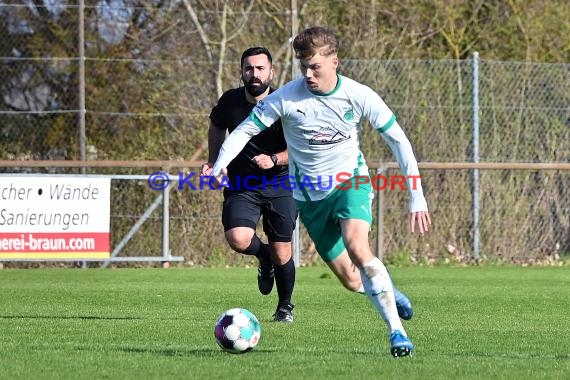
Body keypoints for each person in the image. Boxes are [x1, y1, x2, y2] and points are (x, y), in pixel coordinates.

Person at [210, 28, 431, 357]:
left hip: (350, 183)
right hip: (309, 199)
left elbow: (399, 141)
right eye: (303, 67)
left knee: (358, 247)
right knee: (353, 281)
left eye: (315, 66)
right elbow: (243, 131)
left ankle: (396, 332)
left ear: (335, 62)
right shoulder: (286, 97)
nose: (308, 74)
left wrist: (417, 196)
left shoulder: (359, 95)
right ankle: (389, 290)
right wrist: (219, 165)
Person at [201, 47, 297, 322]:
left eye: (260, 68)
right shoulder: (230, 101)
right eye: (248, 68)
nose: (254, 74)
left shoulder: (285, 104)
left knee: (283, 251)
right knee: (238, 238)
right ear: (241, 71)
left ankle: (285, 307)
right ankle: (263, 257)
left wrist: (275, 159)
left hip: (281, 182)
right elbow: (216, 125)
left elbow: (303, 148)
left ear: (271, 72)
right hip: (242, 183)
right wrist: (213, 161)